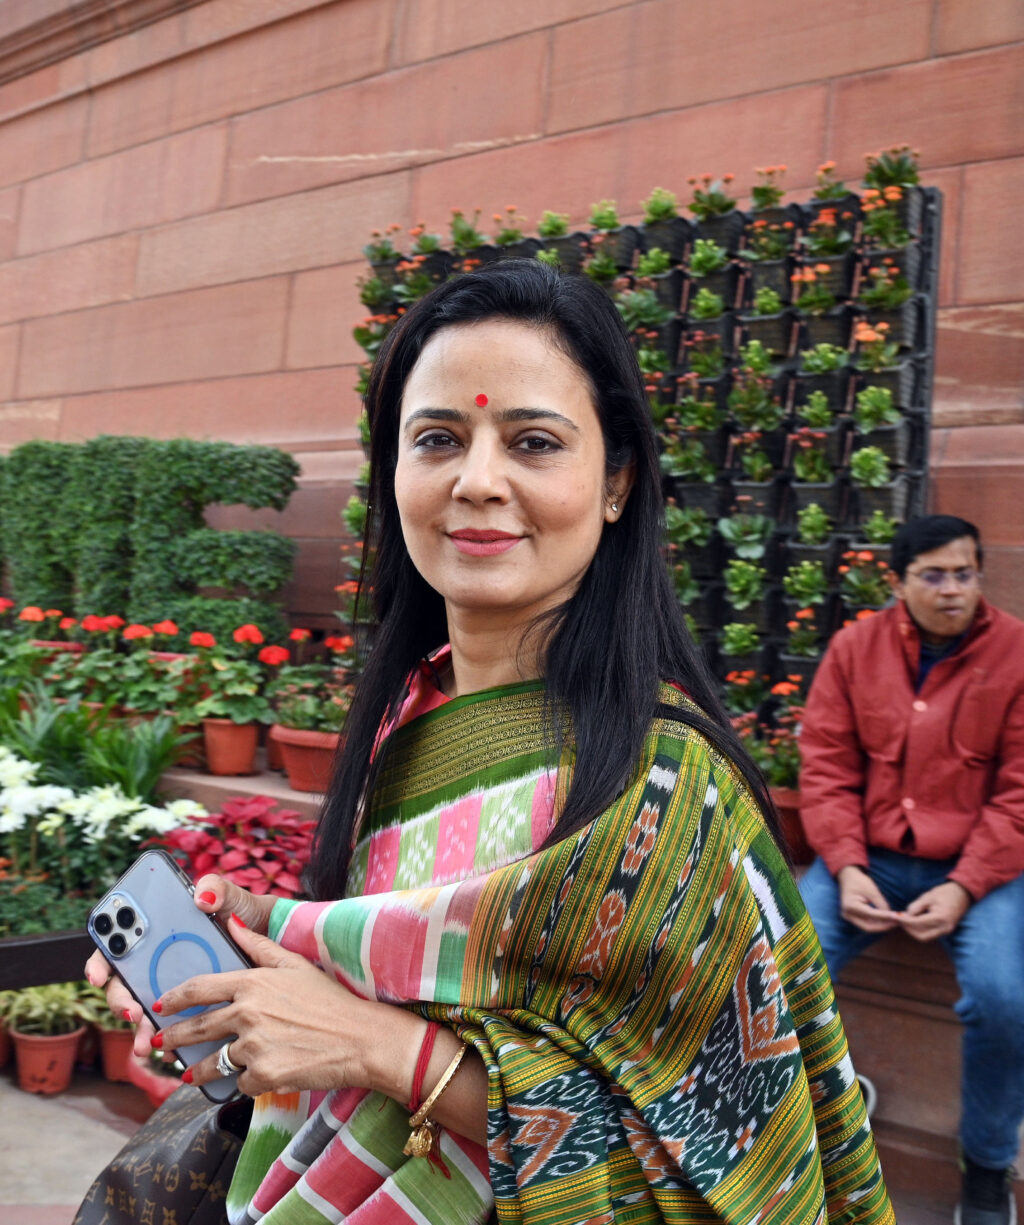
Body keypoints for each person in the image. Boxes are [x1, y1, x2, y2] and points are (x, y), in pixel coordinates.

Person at [87, 261, 893, 1224]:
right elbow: (399, 970)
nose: (477, 481)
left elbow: (721, 1167)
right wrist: (254, 969)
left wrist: (380, 1048)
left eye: (534, 442)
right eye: (437, 438)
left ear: (616, 482)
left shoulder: (669, 788)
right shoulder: (407, 721)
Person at [798, 514, 1024, 1225]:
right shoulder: (853, 649)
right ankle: (824, 1105)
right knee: (779, 966)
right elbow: (827, 769)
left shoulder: (1018, 653)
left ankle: (986, 1163)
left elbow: (1022, 790)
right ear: (897, 583)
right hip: (871, 862)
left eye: (964, 572)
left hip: (981, 870)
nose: (952, 589)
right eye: (933, 574)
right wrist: (847, 866)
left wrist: (964, 884)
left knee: (1003, 997)